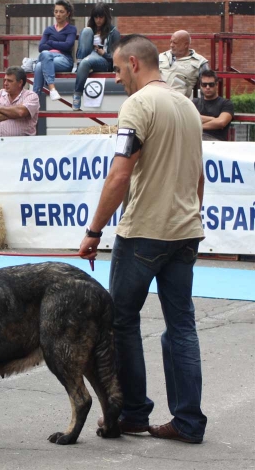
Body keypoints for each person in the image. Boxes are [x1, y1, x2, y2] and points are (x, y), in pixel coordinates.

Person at [79, 34, 207, 444]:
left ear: (134, 63)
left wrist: (93, 231)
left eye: (117, 69)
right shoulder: (187, 105)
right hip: (186, 231)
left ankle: (133, 412)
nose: (116, 78)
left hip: (145, 233)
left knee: (121, 322)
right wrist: (190, 217)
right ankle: (188, 420)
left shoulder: (138, 105)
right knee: (182, 326)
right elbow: (198, 176)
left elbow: (120, 174)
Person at [71, 2, 121, 110]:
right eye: (96, 17)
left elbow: (117, 57)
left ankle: (77, 95)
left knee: (85, 62)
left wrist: (104, 53)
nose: (98, 20)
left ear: (106, 17)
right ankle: (81, 66)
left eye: (101, 17)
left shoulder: (113, 32)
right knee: (86, 30)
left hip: (104, 61)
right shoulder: (90, 30)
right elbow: (80, 50)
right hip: (88, 56)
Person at [32, 0, 77, 101]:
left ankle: (34, 98)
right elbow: (41, 47)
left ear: (67, 14)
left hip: (64, 60)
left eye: (61, 12)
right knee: (42, 60)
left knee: (43, 60)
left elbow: (68, 45)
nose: (58, 14)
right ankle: (49, 92)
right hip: (48, 58)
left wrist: (51, 43)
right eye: (56, 11)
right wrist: (58, 45)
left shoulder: (71, 29)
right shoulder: (49, 29)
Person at [0, 66, 40, 136]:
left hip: (23, 143)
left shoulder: (31, 96)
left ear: (20, 83)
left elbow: (21, 112)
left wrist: (0, 108)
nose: (5, 83)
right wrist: (13, 114)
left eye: (9, 81)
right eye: (5, 80)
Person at [159, 30, 209, 98]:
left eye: (175, 43)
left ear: (186, 45)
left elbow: (208, 85)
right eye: (171, 42)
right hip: (154, 99)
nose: (171, 45)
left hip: (177, 102)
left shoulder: (200, 62)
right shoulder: (160, 57)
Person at [193, 70, 234, 141]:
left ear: (216, 85)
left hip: (216, 142)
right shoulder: (195, 102)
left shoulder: (226, 103)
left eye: (211, 84)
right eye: (204, 84)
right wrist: (213, 119)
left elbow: (221, 122)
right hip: (196, 140)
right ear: (201, 86)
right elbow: (190, 119)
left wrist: (197, 126)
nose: (207, 87)